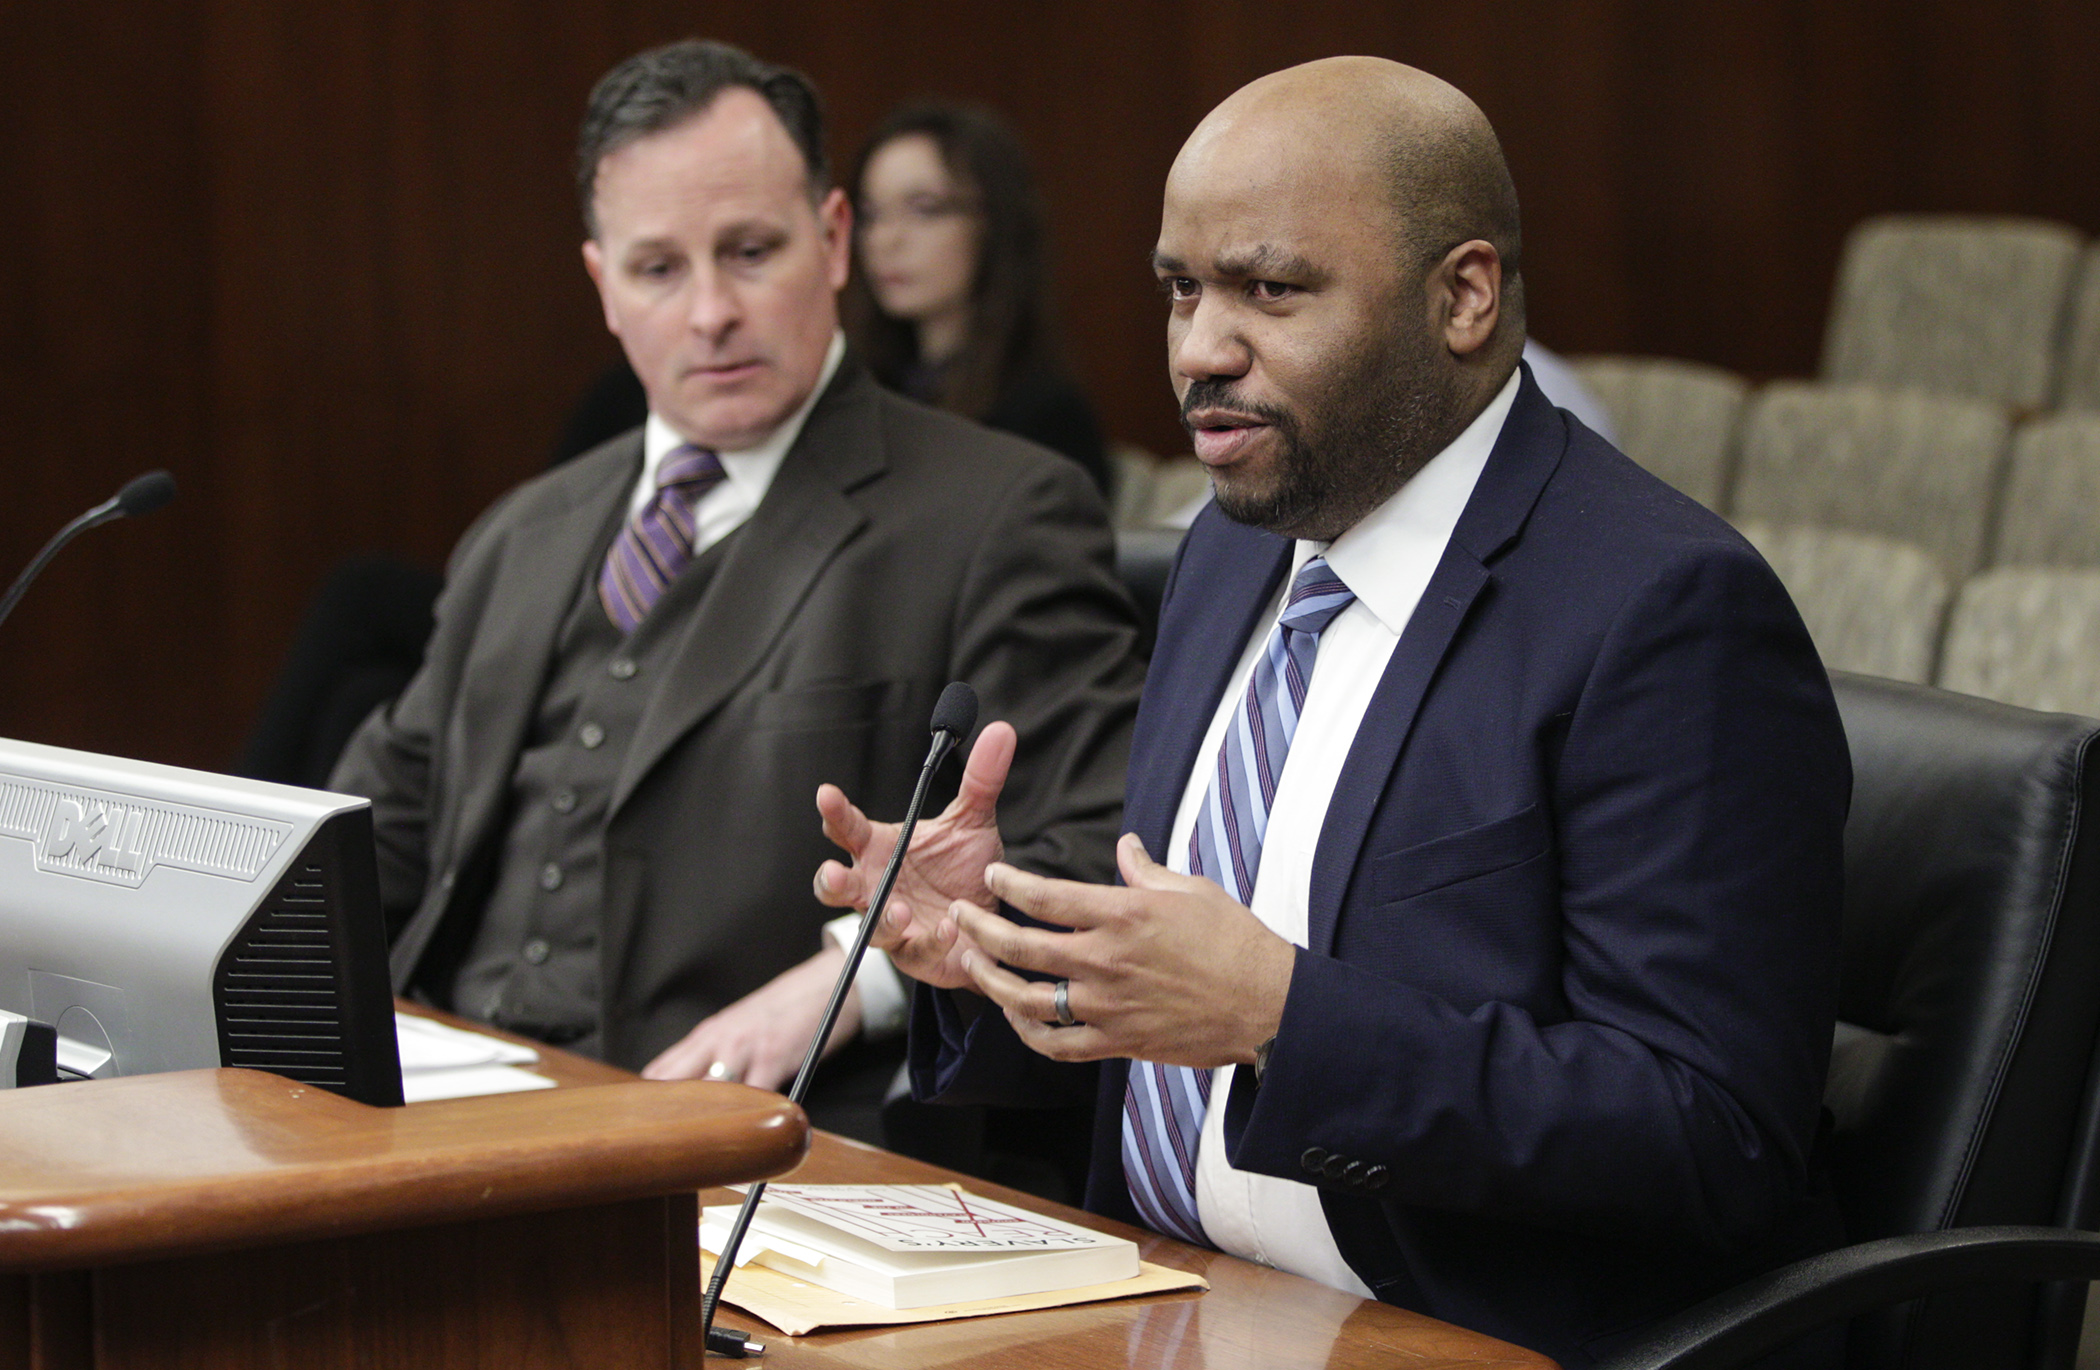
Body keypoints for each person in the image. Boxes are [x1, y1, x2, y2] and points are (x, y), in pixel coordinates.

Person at [815, 57, 1849, 1366]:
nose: (1201, 346)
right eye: (1182, 288)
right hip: (1150, 1295)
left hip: (1436, 1332)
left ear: (1464, 295)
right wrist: (997, 945)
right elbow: (1171, 1038)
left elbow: (1715, 1136)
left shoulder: (1662, 609)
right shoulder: (1232, 552)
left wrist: (1282, 1016)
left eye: (1272, 288)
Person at [329, 39, 1144, 1144]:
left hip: (769, 1142)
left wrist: (858, 977)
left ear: (835, 238)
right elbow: (367, 839)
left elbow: (1099, 842)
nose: (710, 310)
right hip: (442, 1113)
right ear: (601, 285)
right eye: (659, 268)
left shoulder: (999, 511)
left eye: (751, 251)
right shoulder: (521, 532)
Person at [846, 102, 1110, 494]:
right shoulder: (862, 391)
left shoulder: (1042, 414)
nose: (886, 239)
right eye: (870, 215)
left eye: (924, 210)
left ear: (994, 223)